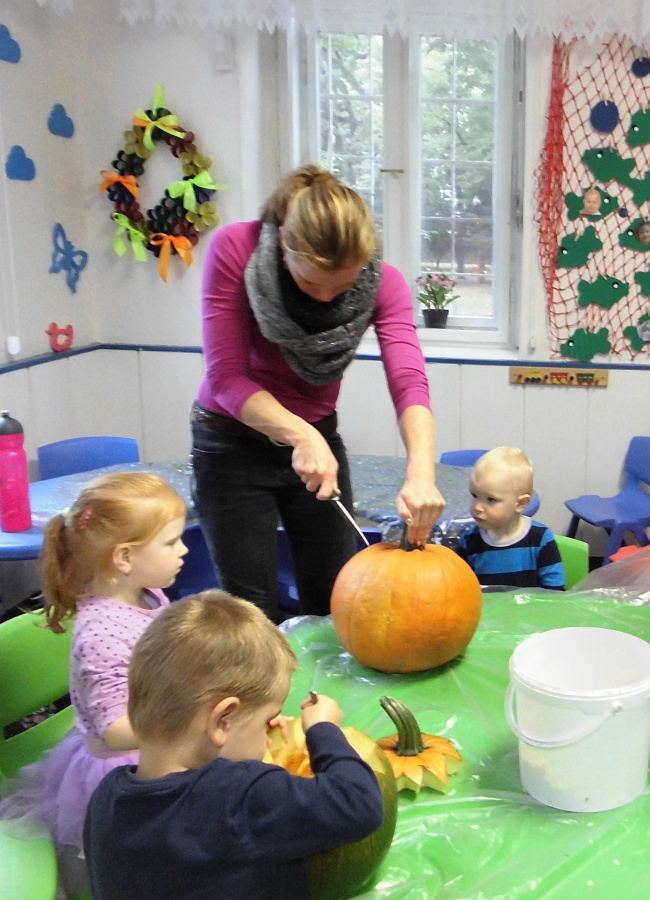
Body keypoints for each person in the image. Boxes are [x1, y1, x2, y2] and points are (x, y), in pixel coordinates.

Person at [192, 164, 445, 621]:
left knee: (336, 597)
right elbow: (226, 377)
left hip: (318, 440)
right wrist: (302, 435)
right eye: (310, 282)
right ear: (284, 241)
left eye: (342, 286)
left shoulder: (384, 282)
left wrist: (422, 473)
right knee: (251, 612)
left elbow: (409, 382)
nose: (326, 298)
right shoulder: (236, 249)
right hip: (232, 442)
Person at [83, 590, 384, 898]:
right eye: (266, 720)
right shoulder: (237, 796)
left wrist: (252, 725)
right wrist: (323, 728)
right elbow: (360, 803)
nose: (268, 733)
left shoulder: (105, 799)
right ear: (222, 720)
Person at [0, 472, 187, 895]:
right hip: (124, 770)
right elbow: (117, 732)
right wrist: (189, 718)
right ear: (125, 557)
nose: (184, 550)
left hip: (157, 733)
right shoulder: (101, 634)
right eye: (171, 542)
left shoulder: (148, 593)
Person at [457, 447, 565, 590]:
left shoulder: (540, 538)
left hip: (531, 605)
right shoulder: (469, 541)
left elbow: (555, 590)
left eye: (491, 499)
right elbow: (461, 588)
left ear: (521, 503)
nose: (477, 507)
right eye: (474, 495)